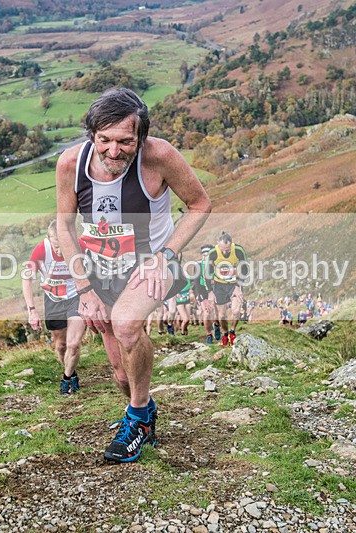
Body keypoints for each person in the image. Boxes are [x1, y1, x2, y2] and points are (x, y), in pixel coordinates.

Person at [55, 88, 211, 463]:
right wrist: (84, 289)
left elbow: (200, 203)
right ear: (91, 134)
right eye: (104, 140)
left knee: (126, 325)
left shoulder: (160, 157)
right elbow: (64, 225)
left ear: (140, 138)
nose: (113, 151)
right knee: (122, 375)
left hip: (154, 264)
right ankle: (142, 409)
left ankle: (138, 421)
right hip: (100, 272)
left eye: (125, 141)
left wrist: (167, 255)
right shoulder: (70, 164)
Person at [22, 220, 87, 395]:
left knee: (73, 344)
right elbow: (26, 279)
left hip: (77, 296)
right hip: (53, 298)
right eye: (56, 247)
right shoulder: (41, 250)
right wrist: (32, 310)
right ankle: (72, 372)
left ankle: (66, 379)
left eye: (63, 246)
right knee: (61, 346)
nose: (60, 251)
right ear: (49, 239)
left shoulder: (80, 245)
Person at [204, 232, 247, 346]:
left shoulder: (238, 250)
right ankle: (225, 333)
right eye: (222, 249)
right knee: (222, 315)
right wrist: (210, 292)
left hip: (234, 284)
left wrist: (239, 286)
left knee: (236, 310)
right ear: (218, 245)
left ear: (231, 244)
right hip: (219, 285)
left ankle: (232, 332)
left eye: (227, 249)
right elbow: (207, 273)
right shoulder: (213, 253)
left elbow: (244, 269)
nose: (225, 252)